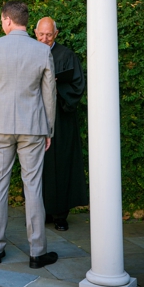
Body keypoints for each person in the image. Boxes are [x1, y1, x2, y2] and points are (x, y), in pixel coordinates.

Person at [0, 0, 58, 270]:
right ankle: (37, 253)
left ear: (8, 20)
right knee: (33, 186)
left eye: (2, 20)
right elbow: (49, 93)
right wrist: (48, 128)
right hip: (32, 126)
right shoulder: (42, 50)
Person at [35, 17, 88, 231]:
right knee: (40, 164)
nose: (45, 38)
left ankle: (60, 215)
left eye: (49, 34)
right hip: (37, 117)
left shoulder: (67, 55)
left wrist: (55, 86)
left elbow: (77, 85)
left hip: (62, 118)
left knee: (63, 163)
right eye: (41, 34)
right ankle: (44, 210)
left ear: (56, 34)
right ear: (35, 32)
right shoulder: (30, 52)